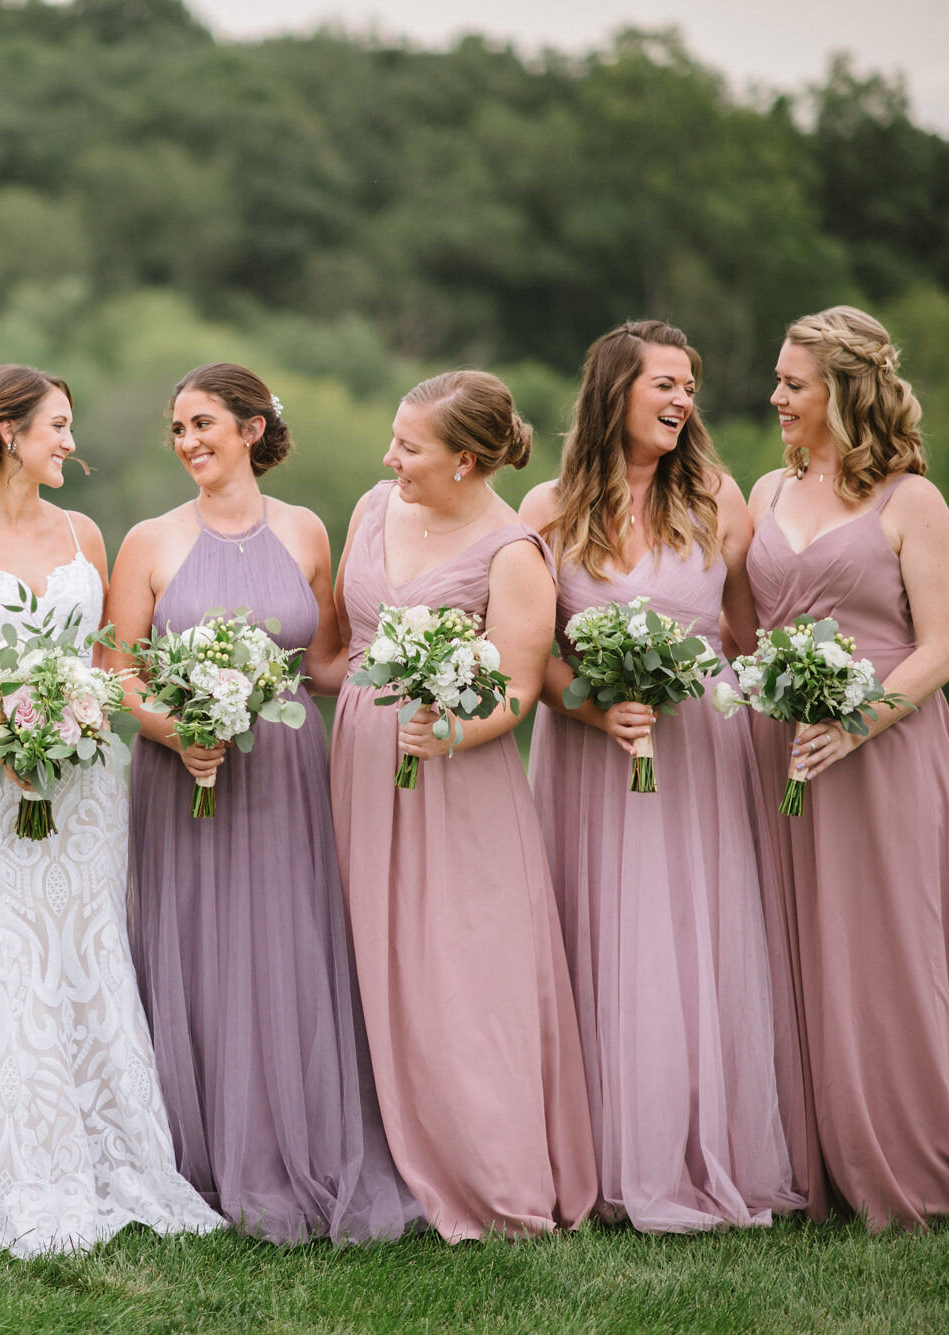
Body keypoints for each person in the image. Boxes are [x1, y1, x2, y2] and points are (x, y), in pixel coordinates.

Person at [0, 364, 224, 1257]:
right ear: (9, 435)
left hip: (83, 784)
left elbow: (113, 659)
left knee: (84, 945)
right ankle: (13, 1167)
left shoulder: (84, 532)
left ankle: (111, 1155)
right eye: (57, 428)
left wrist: (124, 714)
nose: (71, 445)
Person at [106, 362, 418, 1244]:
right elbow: (117, 669)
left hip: (283, 771)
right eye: (177, 429)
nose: (188, 442)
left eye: (203, 422)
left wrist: (413, 660)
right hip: (184, 772)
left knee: (286, 947)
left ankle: (301, 1143)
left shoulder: (308, 530)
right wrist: (171, 731)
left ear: (252, 428)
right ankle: (203, 1155)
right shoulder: (149, 540)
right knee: (200, 943)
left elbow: (321, 662)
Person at [746, 305, 949, 1228]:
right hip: (780, 751)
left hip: (883, 749)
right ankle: (807, 1154)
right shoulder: (761, 492)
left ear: (846, 390)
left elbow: (942, 648)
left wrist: (855, 723)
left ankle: (911, 1159)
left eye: (794, 382)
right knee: (791, 947)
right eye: (780, 380)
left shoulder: (912, 500)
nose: (777, 396)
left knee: (887, 949)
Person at [520, 322, 802, 1232]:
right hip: (586, 757)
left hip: (696, 754)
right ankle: (602, 1155)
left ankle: (698, 1145)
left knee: (694, 938)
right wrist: (591, 708)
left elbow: (746, 635)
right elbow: (533, 657)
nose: (683, 401)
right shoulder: (548, 510)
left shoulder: (717, 500)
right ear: (615, 393)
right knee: (600, 935)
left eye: (690, 387)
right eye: (665, 385)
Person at [329, 370, 597, 1242]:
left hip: (455, 778)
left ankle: (492, 1170)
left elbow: (518, 692)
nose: (389, 457)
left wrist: (446, 736)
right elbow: (340, 651)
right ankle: (381, 1150)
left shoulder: (512, 551)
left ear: (467, 459)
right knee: (371, 950)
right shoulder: (373, 509)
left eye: (409, 446)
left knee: (461, 967)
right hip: (360, 763)